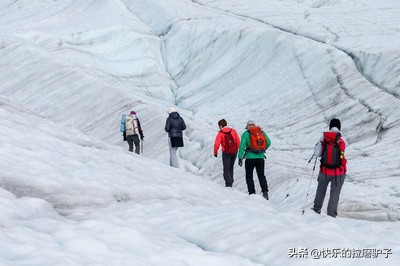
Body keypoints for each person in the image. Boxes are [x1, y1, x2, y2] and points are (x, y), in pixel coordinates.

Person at [312, 118, 347, 217]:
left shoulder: (323, 137)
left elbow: (317, 153)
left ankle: (316, 209)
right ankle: (331, 215)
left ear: (330, 126)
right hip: (339, 172)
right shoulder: (342, 139)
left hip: (324, 170)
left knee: (321, 189)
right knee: (334, 194)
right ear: (339, 127)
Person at [238, 120, 271, 200]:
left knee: (249, 176)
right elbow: (269, 142)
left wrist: (240, 157)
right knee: (261, 175)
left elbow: (242, 146)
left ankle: (252, 193)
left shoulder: (246, 134)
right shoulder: (261, 132)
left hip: (250, 158)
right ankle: (265, 192)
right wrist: (262, 149)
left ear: (248, 126)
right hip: (260, 157)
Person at [213, 119, 241, 187]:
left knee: (226, 168)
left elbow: (216, 144)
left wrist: (215, 152)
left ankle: (228, 184)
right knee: (231, 167)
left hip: (226, 152)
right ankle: (231, 181)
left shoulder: (221, 133)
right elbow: (238, 141)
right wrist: (240, 150)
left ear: (220, 125)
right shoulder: (233, 131)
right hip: (234, 151)